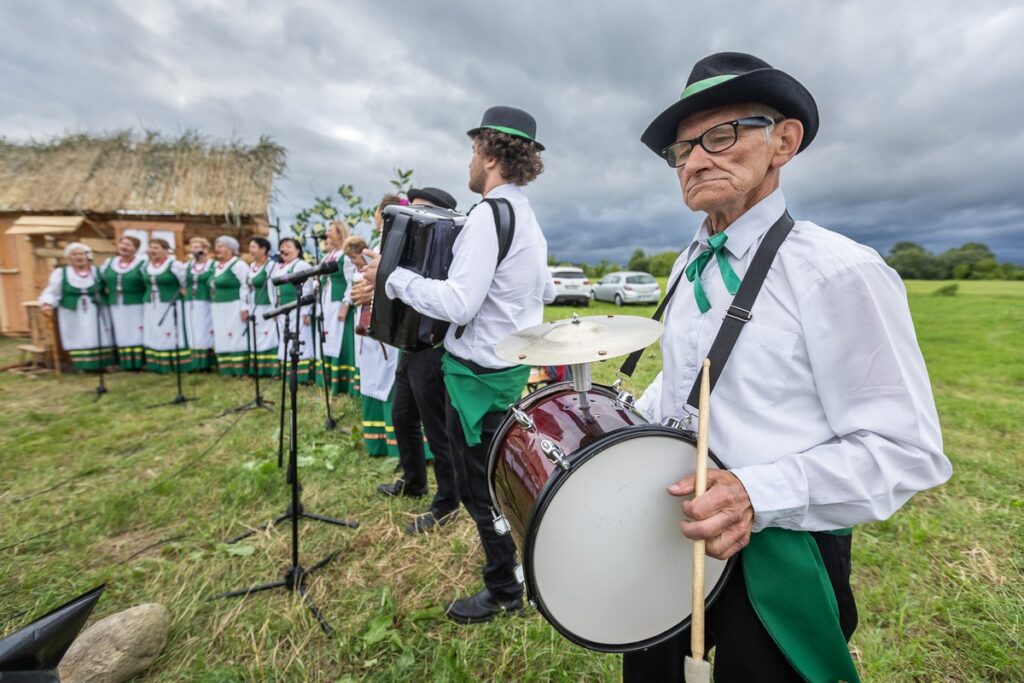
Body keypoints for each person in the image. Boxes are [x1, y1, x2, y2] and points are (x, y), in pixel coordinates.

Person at [622, 52, 953, 682]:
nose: (694, 161)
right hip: (679, 533)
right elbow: (689, 381)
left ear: (784, 141)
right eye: (681, 149)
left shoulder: (839, 271)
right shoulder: (687, 264)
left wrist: (755, 494)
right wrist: (623, 423)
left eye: (720, 136)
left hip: (782, 555)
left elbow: (905, 449)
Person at [362, 106, 554, 622]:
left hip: (476, 379)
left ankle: (505, 590)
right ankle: (519, 572)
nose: (469, 161)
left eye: (473, 150)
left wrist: (393, 277)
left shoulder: (489, 216)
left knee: (480, 491)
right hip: (504, 369)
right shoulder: (525, 216)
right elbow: (546, 291)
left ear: (490, 155)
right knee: (497, 481)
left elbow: (459, 304)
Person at [373, 187, 462, 536]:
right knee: (402, 417)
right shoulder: (410, 248)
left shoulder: (446, 249)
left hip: (431, 348)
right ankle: (414, 482)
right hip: (407, 346)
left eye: (420, 209)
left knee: (437, 429)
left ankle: (448, 502)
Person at [345, 231, 398, 457]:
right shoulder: (376, 247)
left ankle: (398, 445)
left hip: (391, 330)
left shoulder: (396, 247)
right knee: (372, 377)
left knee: (390, 381)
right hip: (370, 330)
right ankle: (378, 441)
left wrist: (375, 297)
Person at [38, 242, 114, 371]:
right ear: (69, 257)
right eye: (74, 254)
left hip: (96, 309)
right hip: (73, 311)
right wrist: (47, 303)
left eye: (82, 254)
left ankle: (104, 364)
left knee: (99, 333)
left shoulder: (98, 272)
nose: (79, 257)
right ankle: (82, 366)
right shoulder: (61, 273)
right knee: (78, 335)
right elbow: (51, 292)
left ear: (88, 256)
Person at [316, 220, 357, 395]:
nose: (327, 234)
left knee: (339, 340)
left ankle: (342, 382)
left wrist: (346, 304)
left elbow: (352, 281)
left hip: (339, 303)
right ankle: (327, 380)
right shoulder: (328, 256)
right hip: (326, 303)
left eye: (330, 231)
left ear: (340, 233)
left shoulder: (345, 256)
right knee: (327, 338)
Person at [98, 235, 146, 370]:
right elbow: (100, 280)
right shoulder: (109, 263)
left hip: (136, 303)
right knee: (120, 330)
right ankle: (124, 362)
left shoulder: (142, 263)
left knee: (137, 330)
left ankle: (139, 362)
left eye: (128, 245)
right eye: (122, 244)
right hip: (116, 304)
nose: (124, 247)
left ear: (136, 249)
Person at [141, 238, 187, 374]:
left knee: (169, 331)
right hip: (151, 304)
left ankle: (175, 364)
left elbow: (185, 283)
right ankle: (157, 363)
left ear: (166, 250)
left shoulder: (175, 265)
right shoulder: (145, 266)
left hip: (170, 304)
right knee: (155, 331)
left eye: (156, 248)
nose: (152, 250)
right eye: (151, 247)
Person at [274, 237, 315, 383]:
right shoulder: (278, 267)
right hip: (283, 309)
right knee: (285, 339)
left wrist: (306, 311)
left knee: (300, 338)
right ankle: (287, 372)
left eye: (288, 246)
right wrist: (276, 307)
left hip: (298, 309)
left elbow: (308, 289)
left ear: (297, 250)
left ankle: (302, 375)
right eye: (282, 246)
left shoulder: (301, 265)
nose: (284, 249)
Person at [209, 235, 251, 376]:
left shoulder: (238, 265)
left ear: (231, 249)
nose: (217, 249)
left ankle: (240, 369)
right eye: (216, 246)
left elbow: (245, 286)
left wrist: (244, 307)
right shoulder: (216, 266)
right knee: (222, 335)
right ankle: (226, 369)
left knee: (235, 334)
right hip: (218, 307)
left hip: (234, 306)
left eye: (221, 246)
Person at [242, 237, 279, 377]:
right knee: (256, 337)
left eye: (253, 247)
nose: (250, 250)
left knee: (270, 337)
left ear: (263, 249)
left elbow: (275, 288)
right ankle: (257, 370)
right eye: (250, 247)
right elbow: (245, 288)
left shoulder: (271, 266)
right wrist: (244, 307)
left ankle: (273, 370)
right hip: (254, 307)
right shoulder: (251, 266)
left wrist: (276, 307)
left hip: (268, 307)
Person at [183, 237, 215, 372]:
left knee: (204, 330)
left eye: (197, 247)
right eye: (192, 247)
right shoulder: (188, 265)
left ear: (205, 249)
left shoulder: (212, 265)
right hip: (190, 302)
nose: (194, 250)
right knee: (192, 330)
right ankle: (194, 362)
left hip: (205, 301)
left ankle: (206, 363)